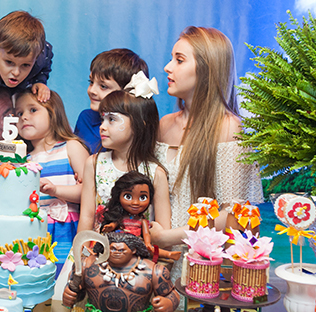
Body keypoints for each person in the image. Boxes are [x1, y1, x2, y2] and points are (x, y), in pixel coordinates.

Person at [152, 26, 263, 280]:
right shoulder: (164, 125)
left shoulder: (230, 128)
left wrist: (168, 236)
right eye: (171, 58)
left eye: (179, 60)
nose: (168, 67)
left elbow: (233, 215)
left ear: (206, 69)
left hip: (202, 265)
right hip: (160, 263)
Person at [77, 72, 171, 235]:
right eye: (102, 119)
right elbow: (86, 216)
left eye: (112, 119)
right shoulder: (94, 163)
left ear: (138, 125)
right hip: (100, 248)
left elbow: (163, 229)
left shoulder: (156, 173)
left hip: (137, 250)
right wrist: (80, 247)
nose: (102, 126)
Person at [15, 89, 90, 276]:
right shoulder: (23, 160)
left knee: (64, 279)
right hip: (33, 234)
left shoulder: (71, 147)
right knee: (37, 280)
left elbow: (90, 193)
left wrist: (56, 190)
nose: (24, 117)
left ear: (53, 113)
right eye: (19, 113)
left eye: (33, 110)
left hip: (65, 231)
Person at [62, 232, 179, 312]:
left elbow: (171, 294)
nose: (117, 252)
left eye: (121, 250)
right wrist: (70, 294)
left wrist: (168, 303)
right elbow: (77, 292)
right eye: (113, 249)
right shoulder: (87, 264)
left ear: (133, 250)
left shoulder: (153, 270)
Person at [74, 48, 149, 153]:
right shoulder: (85, 119)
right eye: (91, 82)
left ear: (127, 92)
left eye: (103, 86)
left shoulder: (136, 127)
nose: (92, 90)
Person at [99, 171, 181, 261]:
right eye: (128, 196)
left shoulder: (142, 220)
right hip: (122, 241)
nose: (135, 202)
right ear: (119, 197)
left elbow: (146, 233)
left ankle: (169, 254)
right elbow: (115, 224)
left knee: (149, 249)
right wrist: (111, 226)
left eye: (142, 197)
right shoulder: (121, 217)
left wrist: (147, 243)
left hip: (136, 241)